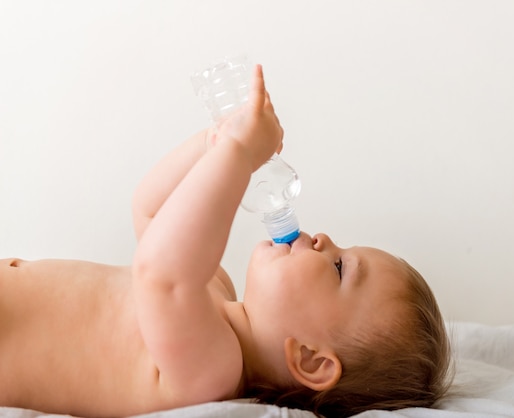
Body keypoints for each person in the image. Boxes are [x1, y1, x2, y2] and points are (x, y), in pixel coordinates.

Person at [0, 64, 452, 418]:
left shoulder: (213, 371)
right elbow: (151, 211)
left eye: (339, 268)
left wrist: (239, 156)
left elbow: (161, 273)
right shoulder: (215, 287)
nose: (325, 238)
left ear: (311, 360)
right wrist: (214, 143)